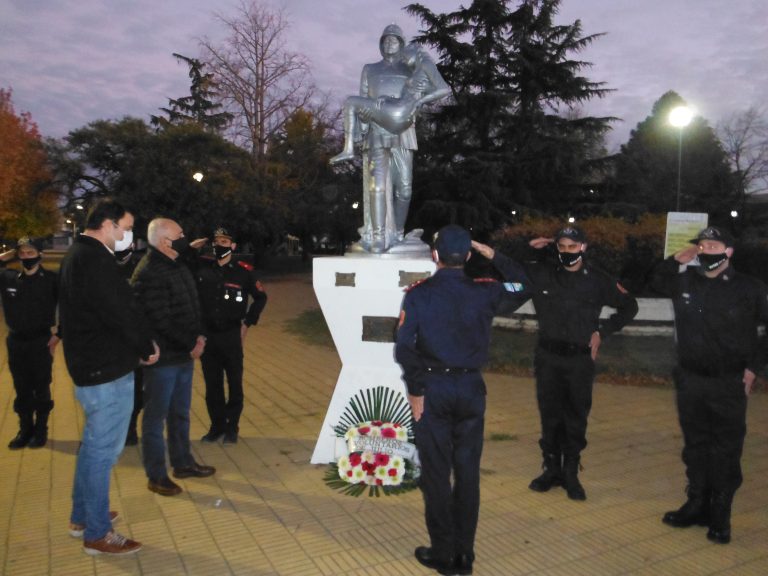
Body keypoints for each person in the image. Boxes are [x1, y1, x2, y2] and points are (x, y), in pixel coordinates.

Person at [395, 225, 527, 576]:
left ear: (434, 256)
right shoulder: (488, 291)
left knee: (437, 474)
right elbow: (522, 285)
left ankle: (443, 553)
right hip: (471, 390)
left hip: (434, 392)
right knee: (467, 473)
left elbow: (405, 348)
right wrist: (493, 254)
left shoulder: (418, 295)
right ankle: (465, 554)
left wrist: (416, 390)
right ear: (468, 255)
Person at [473, 226, 638, 501]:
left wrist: (602, 332)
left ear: (583, 248)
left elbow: (629, 306)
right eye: (562, 247)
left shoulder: (597, 280)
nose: (567, 252)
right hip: (548, 357)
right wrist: (497, 254)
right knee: (550, 415)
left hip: (580, 360)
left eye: (573, 247)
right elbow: (516, 274)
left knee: (575, 416)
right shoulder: (543, 275)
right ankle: (551, 468)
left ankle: (571, 472)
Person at [652, 226, 768, 544]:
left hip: (728, 381)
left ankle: (720, 514)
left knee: (725, 449)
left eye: (714, 245)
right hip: (690, 379)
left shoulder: (749, 288)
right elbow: (655, 279)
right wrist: (676, 258)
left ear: (729, 252)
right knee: (695, 446)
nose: (707, 251)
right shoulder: (685, 281)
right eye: (702, 246)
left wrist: (753, 368)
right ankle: (696, 504)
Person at [59, 198, 159, 555]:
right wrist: (146, 346)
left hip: (92, 367)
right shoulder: (95, 260)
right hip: (105, 371)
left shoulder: (79, 255)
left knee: (92, 447)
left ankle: (83, 516)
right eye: (127, 227)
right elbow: (121, 311)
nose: (129, 235)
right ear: (107, 224)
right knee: (103, 452)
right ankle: (97, 534)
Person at [334, 24, 449, 253]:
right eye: (385, 40)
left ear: (401, 44)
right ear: (381, 43)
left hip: (403, 131)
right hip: (377, 131)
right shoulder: (370, 69)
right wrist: (365, 120)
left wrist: (415, 105)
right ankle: (378, 236)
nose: (389, 44)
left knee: (404, 189)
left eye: (394, 40)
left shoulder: (412, 68)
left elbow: (427, 93)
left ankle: (397, 234)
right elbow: (363, 100)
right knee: (377, 185)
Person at [131, 218, 215, 497]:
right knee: (155, 419)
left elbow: (193, 303)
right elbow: (160, 319)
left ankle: (183, 463)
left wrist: (199, 336)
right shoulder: (150, 272)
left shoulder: (175, 262)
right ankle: (156, 475)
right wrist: (192, 343)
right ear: (165, 242)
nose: (185, 238)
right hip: (164, 360)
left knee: (180, 414)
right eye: (180, 235)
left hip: (183, 355)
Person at [193, 227, 267, 444]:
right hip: (208, 336)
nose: (220, 245)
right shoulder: (203, 268)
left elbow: (261, 297)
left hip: (231, 335)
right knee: (212, 385)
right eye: (217, 242)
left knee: (234, 383)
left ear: (233, 246)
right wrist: (192, 249)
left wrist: (248, 322)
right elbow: (182, 263)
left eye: (225, 242)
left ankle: (232, 427)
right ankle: (216, 427)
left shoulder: (244, 272)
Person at [330, 42, 450, 161]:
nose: (403, 58)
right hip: (400, 112)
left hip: (400, 113)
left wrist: (420, 101)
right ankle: (350, 148)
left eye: (405, 54)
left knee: (350, 102)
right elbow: (416, 93)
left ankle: (348, 150)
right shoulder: (418, 70)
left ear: (414, 50)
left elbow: (444, 89)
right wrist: (388, 98)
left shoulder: (426, 64)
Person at [0, 236, 59, 449]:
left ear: (40, 255)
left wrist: (59, 334)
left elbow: (71, 306)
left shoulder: (51, 280)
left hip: (41, 341)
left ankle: (41, 430)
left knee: (41, 386)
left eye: (30, 253)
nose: (26, 257)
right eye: (22, 253)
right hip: (16, 342)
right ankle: (24, 429)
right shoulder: (8, 278)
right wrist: (8, 255)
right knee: (21, 387)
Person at [113, 230, 144, 447]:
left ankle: (131, 425)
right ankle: (115, 427)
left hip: (136, 338)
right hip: (111, 338)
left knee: (136, 388)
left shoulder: (140, 268)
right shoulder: (102, 266)